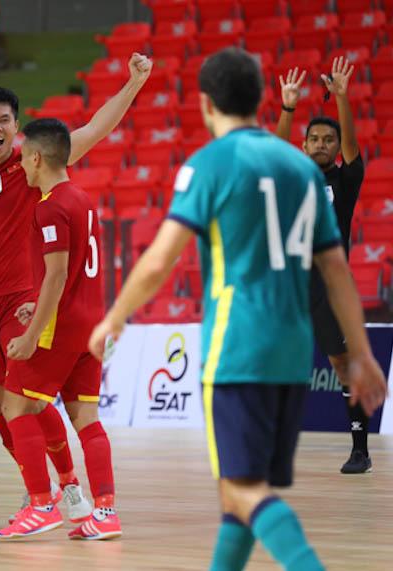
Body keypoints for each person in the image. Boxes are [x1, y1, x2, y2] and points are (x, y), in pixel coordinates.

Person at [89, 48, 387, 570]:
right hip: (293, 351)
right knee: (240, 496)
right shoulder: (300, 170)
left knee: (244, 492)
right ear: (259, 100)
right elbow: (338, 267)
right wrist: (362, 353)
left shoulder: (211, 163)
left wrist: (114, 319)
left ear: (205, 103)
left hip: (239, 346)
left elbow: (160, 261)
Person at [0, 53, 151, 520]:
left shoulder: (32, 163)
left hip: (22, 303)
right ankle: (46, 490)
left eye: (6, 120)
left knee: (27, 401)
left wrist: (133, 85)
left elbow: (96, 128)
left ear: (17, 127)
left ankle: (66, 487)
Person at [0, 118, 120, 541]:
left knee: (17, 408)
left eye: (25, 157)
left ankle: (41, 505)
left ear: (36, 157)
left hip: (60, 328)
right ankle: (105, 513)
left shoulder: (48, 205)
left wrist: (32, 334)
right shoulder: (82, 198)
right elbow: (72, 274)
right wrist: (38, 303)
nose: (22, 166)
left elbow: (58, 272)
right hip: (91, 323)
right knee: (86, 416)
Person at [276, 58, 371, 474]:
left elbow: (352, 146)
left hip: (330, 289)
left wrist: (345, 98)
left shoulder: (345, 182)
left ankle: (360, 449)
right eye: (313, 139)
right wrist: (288, 108)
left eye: (328, 140)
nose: (320, 144)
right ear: (304, 145)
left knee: (342, 366)